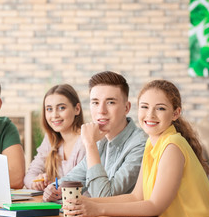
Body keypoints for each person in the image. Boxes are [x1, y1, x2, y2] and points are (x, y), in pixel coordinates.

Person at [63, 80, 209, 217]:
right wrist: (87, 202)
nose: (150, 115)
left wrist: (96, 208)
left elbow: (155, 206)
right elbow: (136, 196)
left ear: (175, 113)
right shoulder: (152, 144)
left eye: (160, 108)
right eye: (144, 107)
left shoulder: (172, 146)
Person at [43, 71, 147, 202]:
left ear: (126, 108)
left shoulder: (140, 144)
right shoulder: (101, 139)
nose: (101, 111)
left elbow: (104, 197)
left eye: (110, 102)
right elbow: (74, 178)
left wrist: (90, 144)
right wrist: (53, 189)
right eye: (95, 103)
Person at [24, 84, 85, 190]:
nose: (54, 115)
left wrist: (52, 188)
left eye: (61, 108)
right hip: (58, 204)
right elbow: (29, 176)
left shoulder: (85, 141)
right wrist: (36, 182)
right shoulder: (50, 139)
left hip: (81, 204)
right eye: (49, 109)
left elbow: (80, 183)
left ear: (77, 109)